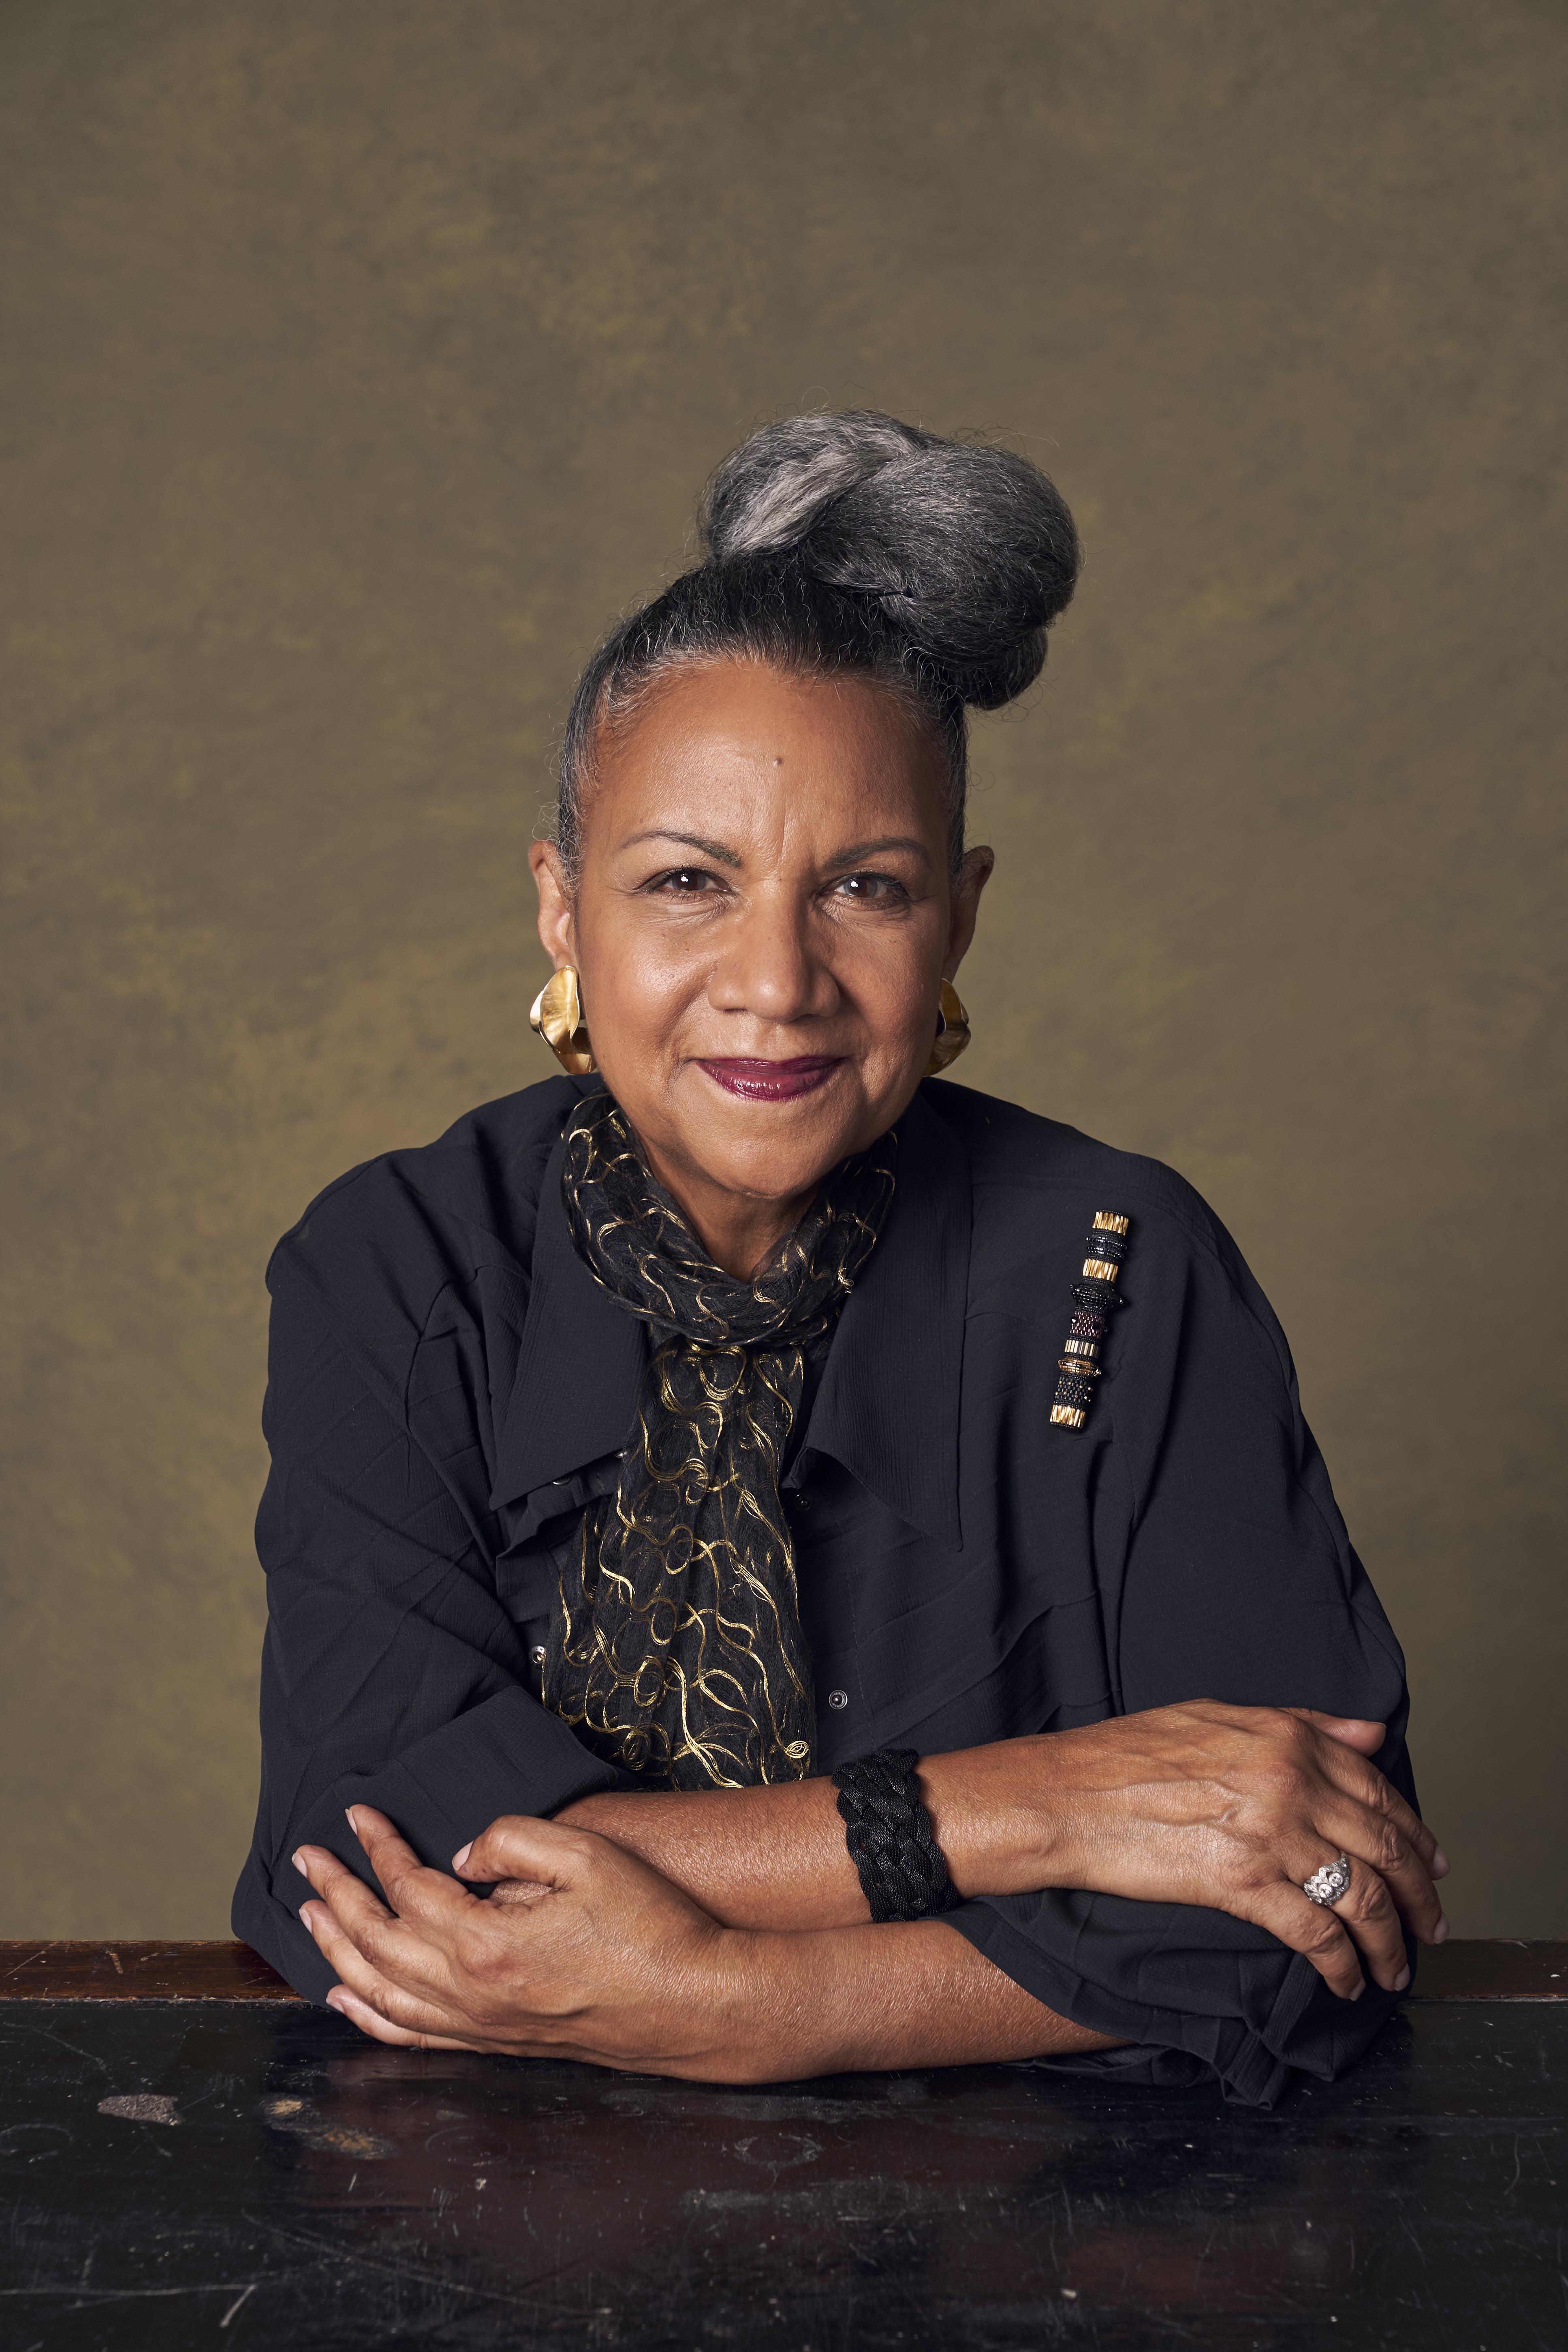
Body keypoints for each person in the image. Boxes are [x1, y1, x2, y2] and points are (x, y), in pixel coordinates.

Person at [236, 411, 1447, 2106]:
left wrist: (749, 2005)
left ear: (956, 915)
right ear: (557, 907)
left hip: (1053, 2243)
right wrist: (1046, 1805)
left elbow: (1322, 1893)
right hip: (472, 2221)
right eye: (682, 882)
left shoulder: (1122, 1260)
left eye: (861, 888)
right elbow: (384, 1855)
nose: (775, 979)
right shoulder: (398, 1265)